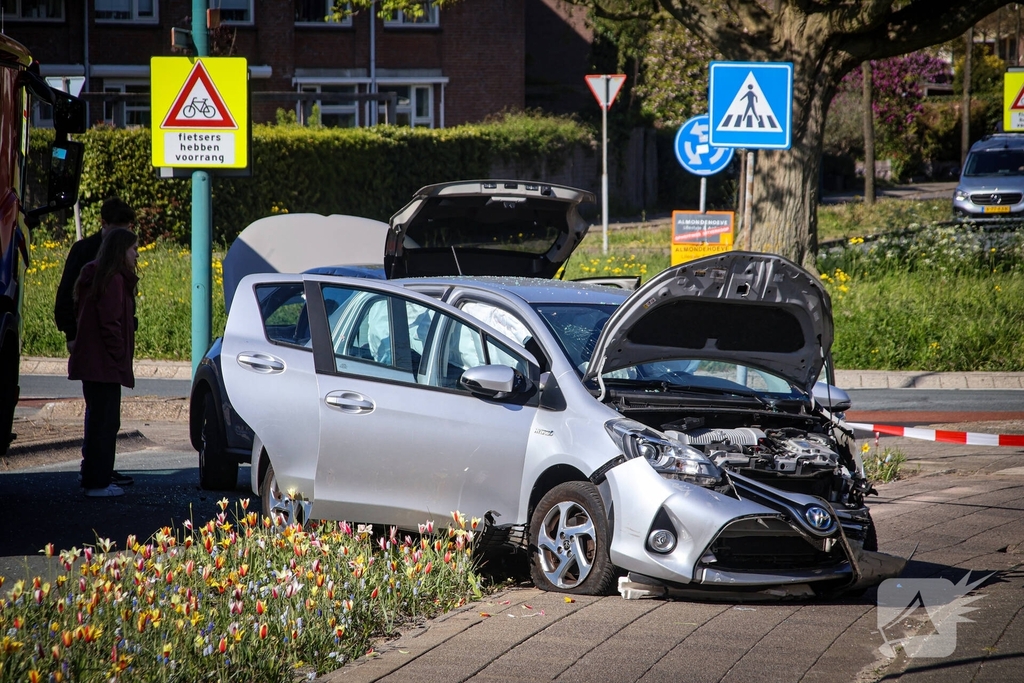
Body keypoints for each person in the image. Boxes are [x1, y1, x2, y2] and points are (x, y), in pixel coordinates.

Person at [55, 197, 136, 490]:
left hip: (95, 350)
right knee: (102, 416)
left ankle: (98, 470)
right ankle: (95, 475)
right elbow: (76, 302)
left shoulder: (103, 267)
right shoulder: (98, 263)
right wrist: (73, 335)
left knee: (101, 415)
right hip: (98, 351)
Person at [54, 197, 136, 353]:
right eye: (117, 230)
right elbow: (66, 293)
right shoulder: (83, 250)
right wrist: (71, 334)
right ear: (104, 224)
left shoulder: (126, 251)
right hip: (88, 332)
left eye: (125, 230)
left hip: (116, 334)